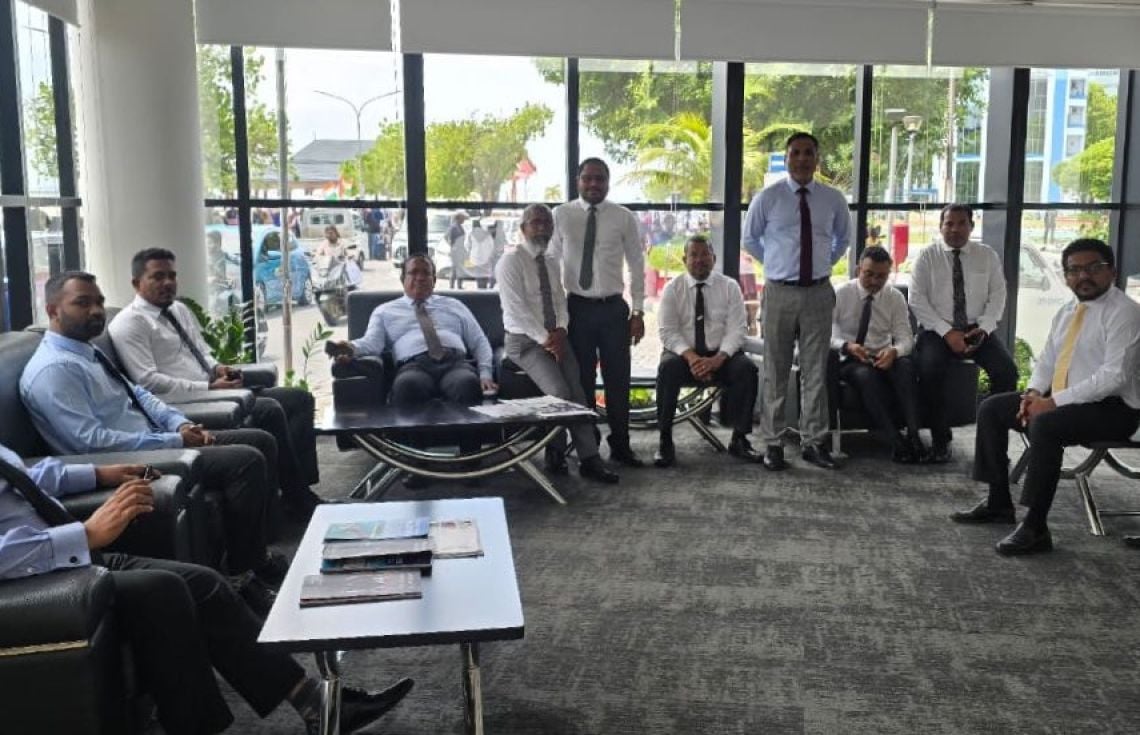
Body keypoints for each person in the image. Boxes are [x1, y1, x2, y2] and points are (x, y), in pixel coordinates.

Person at [0, 442, 413, 735]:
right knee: (161, 591)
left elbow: (24, 477)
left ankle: (315, 703)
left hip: (68, 558)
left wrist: (98, 474)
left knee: (203, 583)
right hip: (35, 580)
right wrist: (84, 535)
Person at [20, 271, 285, 614]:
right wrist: (172, 439)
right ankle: (242, 575)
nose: (96, 310)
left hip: (155, 439)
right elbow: (91, 443)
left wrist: (180, 422)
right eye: (82, 303)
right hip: (126, 459)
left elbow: (140, 395)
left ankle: (255, 557)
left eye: (99, 301)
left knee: (258, 440)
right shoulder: (54, 370)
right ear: (52, 310)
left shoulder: (85, 351)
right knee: (244, 460)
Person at [950, 238, 1140, 555]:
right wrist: (1033, 394)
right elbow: (1048, 360)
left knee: (1046, 424)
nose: (1083, 276)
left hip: (1116, 409)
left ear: (1112, 271)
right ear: (1065, 276)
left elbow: (1113, 376)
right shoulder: (1067, 311)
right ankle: (998, 502)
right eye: (1074, 270)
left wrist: (1050, 403)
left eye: (1094, 268)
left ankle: (1036, 527)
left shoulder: (1125, 313)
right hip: (1068, 401)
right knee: (993, 408)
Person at [109, 248, 324, 522]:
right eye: (158, 277)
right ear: (136, 283)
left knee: (298, 398)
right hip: (185, 401)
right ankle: (298, 499)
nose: (168, 283)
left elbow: (202, 352)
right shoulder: (130, 323)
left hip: (214, 389)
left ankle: (298, 489)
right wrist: (208, 387)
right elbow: (148, 381)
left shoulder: (178, 309)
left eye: (172, 276)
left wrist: (218, 369)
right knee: (269, 409)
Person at [743, 132, 850, 472]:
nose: (802, 159)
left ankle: (813, 443)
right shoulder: (768, 197)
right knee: (775, 369)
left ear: (817, 159)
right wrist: (777, 264)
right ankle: (773, 444)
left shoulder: (833, 199)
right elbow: (750, 239)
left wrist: (822, 265)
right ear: (787, 158)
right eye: (796, 153)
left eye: (808, 153)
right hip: (779, 293)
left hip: (818, 292)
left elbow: (843, 239)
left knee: (815, 370)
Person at [495, 204, 619, 484]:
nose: (542, 227)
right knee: (559, 392)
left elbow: (560, 301)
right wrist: (546, 340)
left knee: (578, 392)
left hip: (556, 338)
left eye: (547, 223)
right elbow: (516, 310)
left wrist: (561, 330)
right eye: (535, 222)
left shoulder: (551, 261)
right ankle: (555, 453)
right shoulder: (510, 262)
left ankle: (590, 459)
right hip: (525, 342)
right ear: (523, 228)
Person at [551, 158, 647, 468]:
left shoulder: (623, 217)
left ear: (608, 182)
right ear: (578, 181)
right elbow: (551, 263)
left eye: (600, 179)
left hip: (613, 310)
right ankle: (587, 447)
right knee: (582, 382)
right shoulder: (561, 215)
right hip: (577, 308)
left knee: (618, 379)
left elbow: (637, 265)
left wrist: (638, 311)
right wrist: (554, 314)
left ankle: (621, 444)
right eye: (588, 178)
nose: (594, 184)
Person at [909, 204, 1017, 463]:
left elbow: (998, 295)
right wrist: (947, 333)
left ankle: (993, 443)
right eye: (949, 223)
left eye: (961, 223)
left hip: (977, 328)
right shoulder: (927, 257)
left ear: (971, 226)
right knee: (929, 371)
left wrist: (985, 328)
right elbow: (917, 300)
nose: (955, 229)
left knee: (1007, 372)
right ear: (940, 227)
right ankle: (940, 441)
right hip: (937, 329)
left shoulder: (987, 255)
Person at [328, 254, 497, 407]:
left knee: (467, 384)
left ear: (434, 280)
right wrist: (350, 348)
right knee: (407, 386)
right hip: (414, 366)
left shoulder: (454, 305)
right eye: (414, 272)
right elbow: (372, 343)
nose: (420, 278)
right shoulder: (384, 311)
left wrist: (486, 374)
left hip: (455, 364)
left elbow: (479, 341)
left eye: (426, 273)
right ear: (403, 278)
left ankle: (467, 434)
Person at [654, 235, 760, 467]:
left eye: (705, 254)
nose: (699, 260)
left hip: (721, 355)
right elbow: (668, 332)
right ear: (685, 259)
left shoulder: (729, 287)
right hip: (684, 356)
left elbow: (737, 330)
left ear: (714, 258)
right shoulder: (673, 288)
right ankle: (665, 440)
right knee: (667, 368)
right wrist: (692, 358)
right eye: (694, 255)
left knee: (747, 369)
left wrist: (718, 359)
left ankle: (740, 439)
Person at [829, 246, 926, 463]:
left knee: (906, 367)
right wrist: (847, 346)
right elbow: (825, 334)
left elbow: (905, 338)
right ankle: (895, 440)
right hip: (849, 358)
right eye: (869, 274)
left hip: (881, 355)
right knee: (866, 376)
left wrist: (894, 351)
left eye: (881, 276)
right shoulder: (840, 294)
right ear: (858, 270)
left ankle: (913, 435)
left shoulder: (894, 297)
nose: (874, 281)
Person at [316, 224, 362, 288]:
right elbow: (318, 254)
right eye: (327, 233)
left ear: (336, 233)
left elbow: (347, 253)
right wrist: (319, 257)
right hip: (328, 267)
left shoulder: (341, 243)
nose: (329, 235)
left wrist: (349, 256)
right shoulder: (324, 244)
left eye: (331, 233)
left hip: (339, 267)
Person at [466, 219, 495, 289]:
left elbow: (467, 246)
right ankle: (484, 288)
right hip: (486, 258)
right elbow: (492, 246)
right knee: (485, 275)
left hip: (475, 259)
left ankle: (480, 289)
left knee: (478, 276)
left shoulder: (471, 234)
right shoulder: (487, 234)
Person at [446, 212, 469, 289]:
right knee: (455, 269)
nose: (464, 220)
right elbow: (447, 237)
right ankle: (452, 286)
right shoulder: (454, 227)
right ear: (458, 218)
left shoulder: (459, 226)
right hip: (456, 251)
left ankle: (459, 285)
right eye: (462, 219)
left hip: (460, 250)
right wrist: (452, 246)